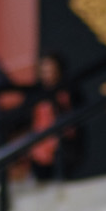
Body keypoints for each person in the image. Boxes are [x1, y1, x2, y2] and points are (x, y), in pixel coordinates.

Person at [27, 52, 79, 182]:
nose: (48, 74)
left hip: (63, 149)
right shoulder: (36, 94)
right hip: (39, 150)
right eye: (44, 71)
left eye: (51, 70)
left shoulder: (69, 92)